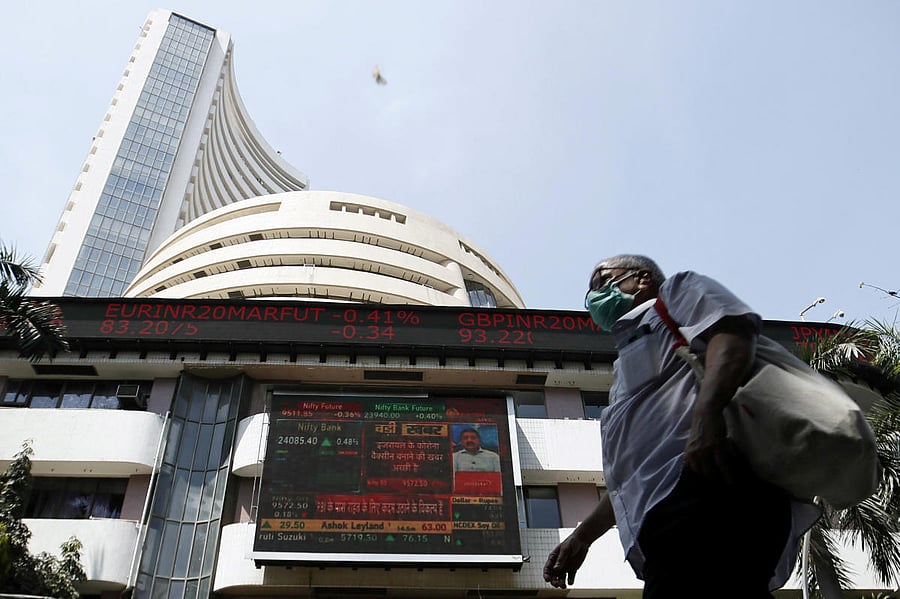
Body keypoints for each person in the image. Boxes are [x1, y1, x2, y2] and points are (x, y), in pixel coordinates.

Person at [543, 255, 819, 598]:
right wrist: (582, 536)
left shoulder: (676, 293)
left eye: (602, 281)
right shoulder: (622, 374)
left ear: (642, 278)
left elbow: (732, 335)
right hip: (667, 512)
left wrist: (706, 417)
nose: (595, 295)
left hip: (707, 487)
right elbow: (635, 477)